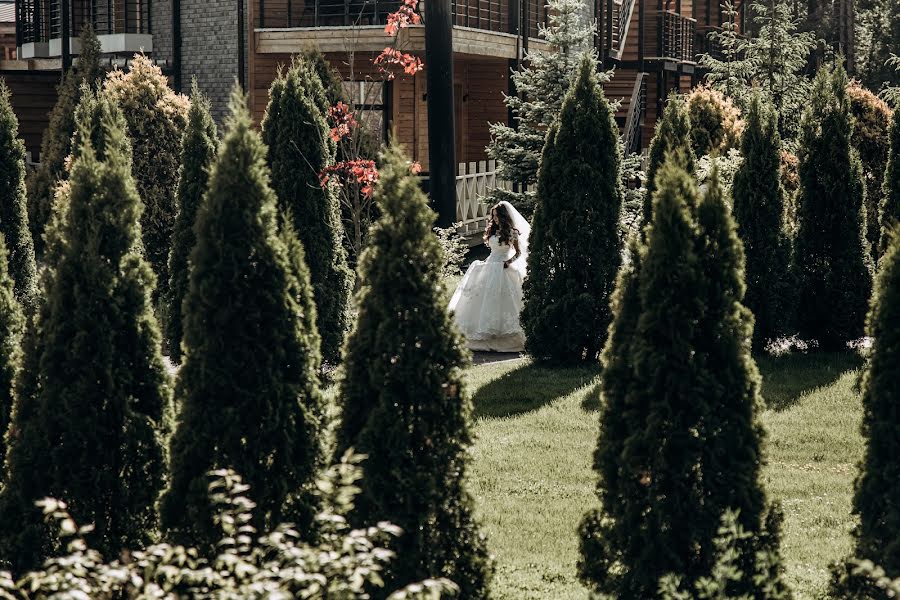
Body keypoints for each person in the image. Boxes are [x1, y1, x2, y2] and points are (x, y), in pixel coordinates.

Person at [448, 201, 530, 352]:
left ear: (503, 216)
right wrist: (484, 262)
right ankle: (480, 335)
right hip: (491, 264)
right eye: (493, 216)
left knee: (505, 299)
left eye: (497, 216)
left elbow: (518, 253)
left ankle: (506, 338)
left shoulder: (512, 232)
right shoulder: (492, 231)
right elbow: (492, 252)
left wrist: (508, 262)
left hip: (504, 266)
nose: (495, 219)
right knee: (482, 297)